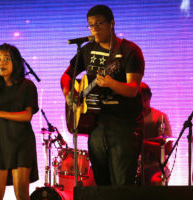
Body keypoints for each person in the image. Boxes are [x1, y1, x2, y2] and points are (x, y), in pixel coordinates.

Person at [60, 5, 145, 186]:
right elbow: (66, 76)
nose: (95, 29)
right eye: (91, 25)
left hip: (124, 126)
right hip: (96, 126)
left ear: (112, 23)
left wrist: (111, 83)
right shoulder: (87, 50)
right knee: (102, 185)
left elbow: (133, 89)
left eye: (99, 23)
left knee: (122, 185)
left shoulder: (130, 51)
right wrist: (69, 93)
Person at [0, 43, 39, 200]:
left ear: (16, 62)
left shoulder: (27, 85)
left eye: (7, 59)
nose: (2, 63)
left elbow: (27, 115)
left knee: (21, 194)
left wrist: (1, 114)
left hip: (20, 142)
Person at [140, 82, 172, 185]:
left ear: (147, 97)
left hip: (156, 166)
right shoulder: (128, 118)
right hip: (133, 166)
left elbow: (167, 148)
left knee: (157, 181)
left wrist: (142, 144)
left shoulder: (159, 116)